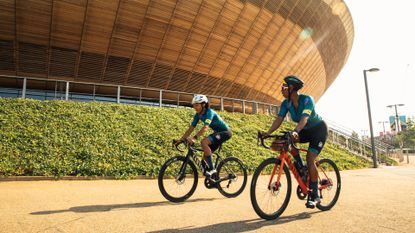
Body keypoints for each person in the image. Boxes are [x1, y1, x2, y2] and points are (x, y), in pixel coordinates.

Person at [263, 75, 328, 208]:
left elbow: (304, 119)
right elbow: (279, 119)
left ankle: (315, 195)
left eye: (284, 87)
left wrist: (295, 131)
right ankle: (302, 168)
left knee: (310, 158)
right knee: (286, 141)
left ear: (292, 88)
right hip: (303, 129)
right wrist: (268, 133)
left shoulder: (307, 100)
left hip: (318, 130)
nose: (281, 90)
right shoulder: (286, 103)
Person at [176, 94, 232, 178]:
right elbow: (191, 128)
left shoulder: (210, 112)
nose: (194, 107)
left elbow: (205, 127)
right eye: (194, 105)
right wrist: (181, 139)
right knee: (205, 158)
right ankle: (214, 178)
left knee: (204, 142)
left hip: (225, 132)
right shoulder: (198, 115)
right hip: (217, 133)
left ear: (203, 104)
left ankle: (213, 169)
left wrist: (194, 138)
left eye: (197, 105)